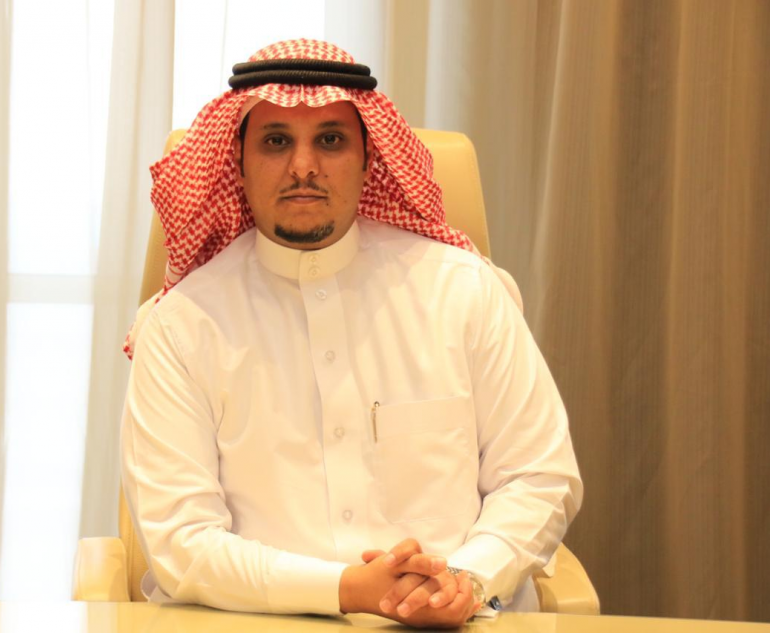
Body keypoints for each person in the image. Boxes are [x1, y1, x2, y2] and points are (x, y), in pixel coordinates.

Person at [120, 39, 582, 628]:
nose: (303, 166)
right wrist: (347, 590)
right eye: (276, 141)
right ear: (237, 161)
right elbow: (181, 543)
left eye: (331, 140)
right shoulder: (181, 327)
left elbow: (538, 476)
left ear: (370, 158)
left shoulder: (463, 292)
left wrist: (468, 579)